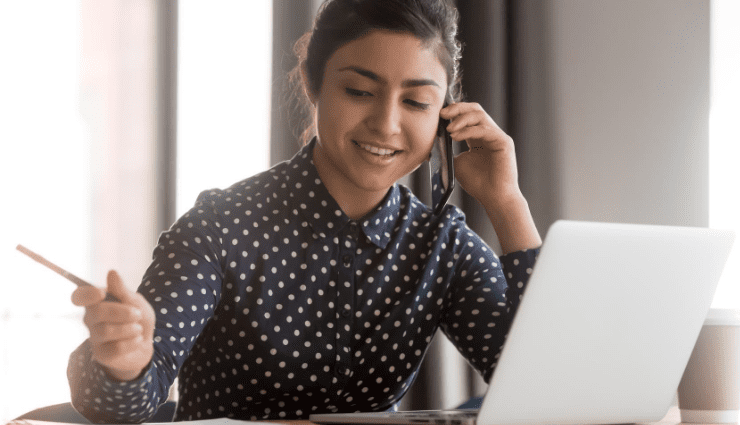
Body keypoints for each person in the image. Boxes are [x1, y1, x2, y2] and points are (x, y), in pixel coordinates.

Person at [67, 0, 542, 422]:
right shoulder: (220, 227)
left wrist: (507, 202)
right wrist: (126, 364)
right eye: (359, 91)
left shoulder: (442, 244)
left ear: (445, 116)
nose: (386, 123)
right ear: (315, 85)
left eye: (416, 101)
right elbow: (122, 406)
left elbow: (543, 384)